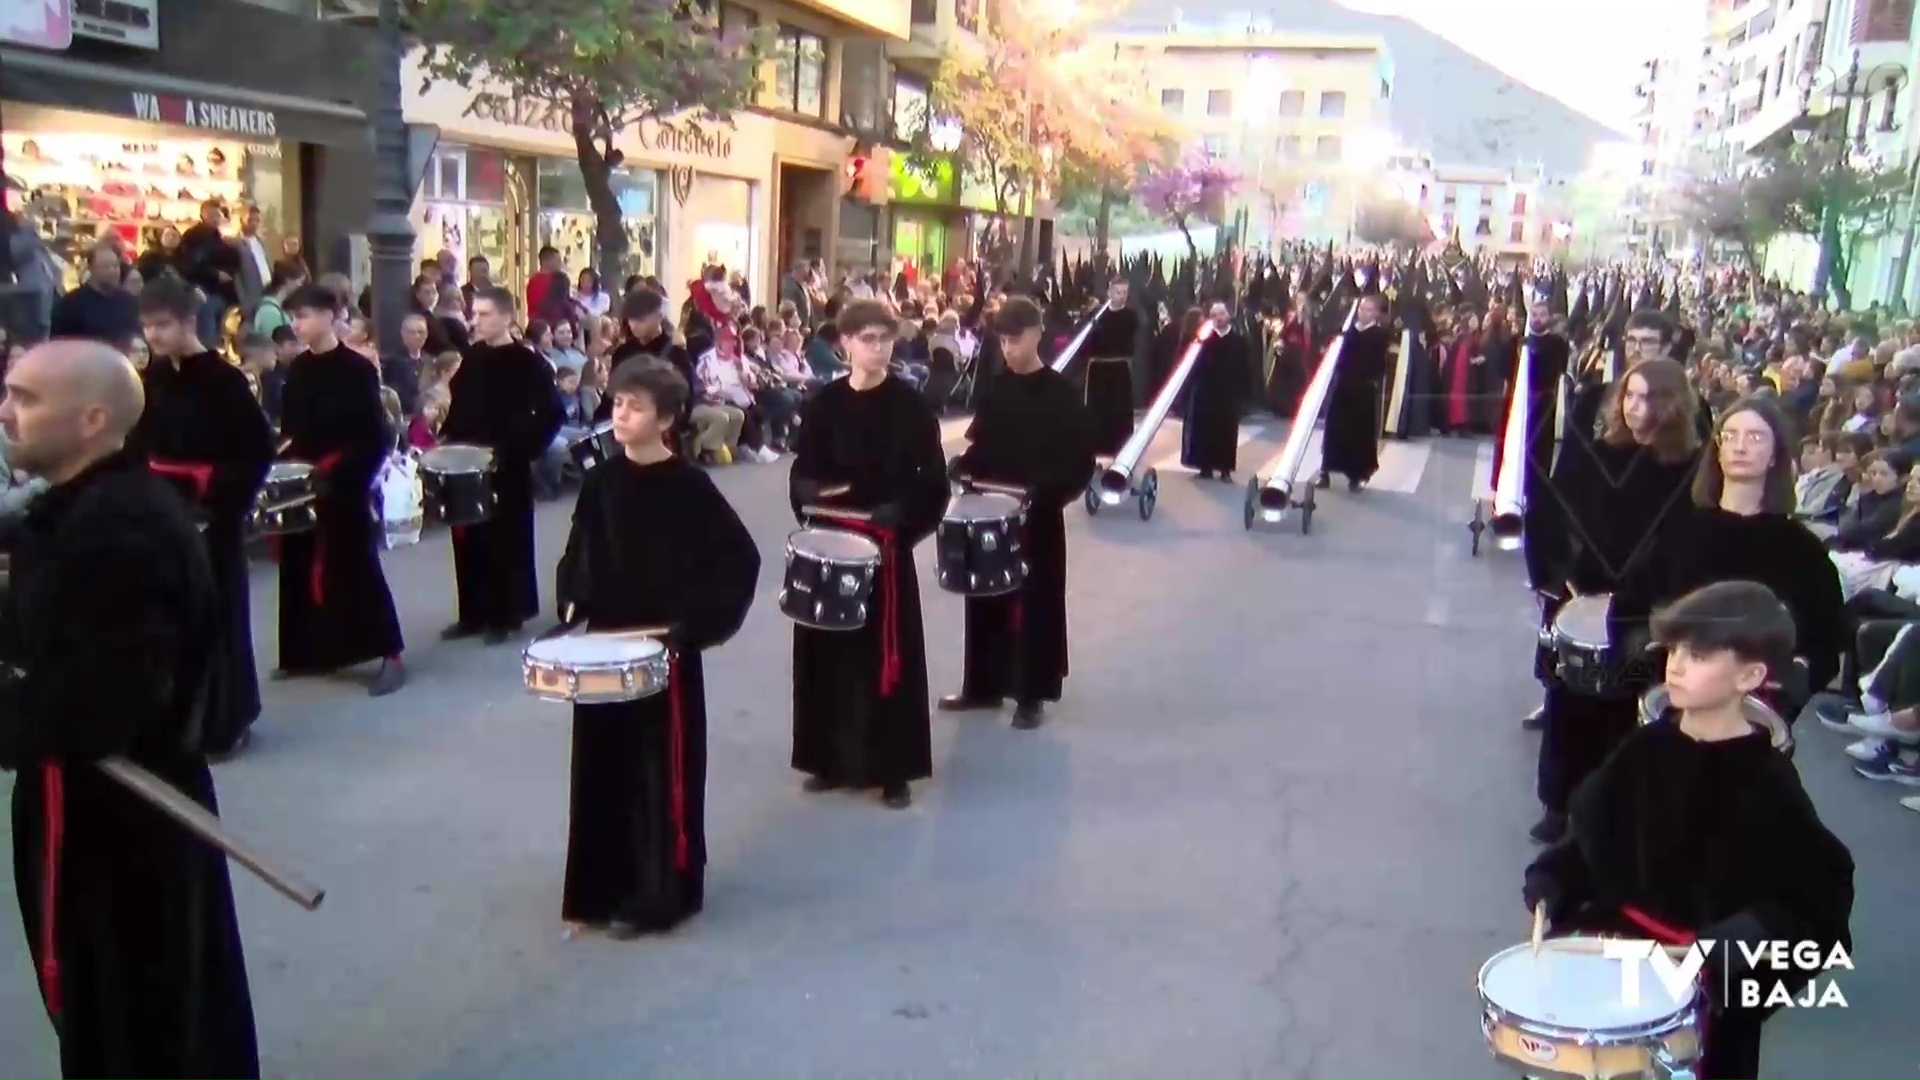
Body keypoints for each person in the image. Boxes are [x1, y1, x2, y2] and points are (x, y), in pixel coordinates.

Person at [0, 340, 261, 1079]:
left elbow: (92, 707)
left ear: (91, 419)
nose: (6, 412)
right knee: (115, 1007)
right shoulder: (78, 511)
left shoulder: (123, 530)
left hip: (121, 821)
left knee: (141, 1011)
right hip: (94, 805)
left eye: (26, 398)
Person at [1524, 580, 1854, 1080]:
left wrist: (1729, 946)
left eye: (1698, 655)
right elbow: (1591, 838)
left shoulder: (1769, 784)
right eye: (1674, 648)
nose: (1675, 664)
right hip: (1612, 960)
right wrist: (1553, 879)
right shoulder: (1642, 750)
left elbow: (1815, 904)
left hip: (1700, 988)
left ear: (1750, 675)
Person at [555, 358, 760, 937]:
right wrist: (571, 599)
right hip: (604, 647)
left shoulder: (689, 486)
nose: (621, 413)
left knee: (657, 770)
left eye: (636, 406)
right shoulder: (601, 482)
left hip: (662, 652)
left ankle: (659, 892)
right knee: (601, 765)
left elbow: (739, 561)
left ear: (666, 419)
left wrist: (689, 627)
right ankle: (602, 887)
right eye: (618, 402)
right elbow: (579, 553)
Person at [1526, 340, 1704, 844]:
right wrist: (1560, 576)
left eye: (1651, 398)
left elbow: (1684, 539)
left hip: (1643, 608)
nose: (1637, 407)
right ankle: (1559, 804)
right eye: (1631, 396)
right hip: (1581, 595)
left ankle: (1613, 811)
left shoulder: (1688, 468)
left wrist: (1645, 596)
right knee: (1568, 705)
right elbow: (1558, 512)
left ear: (1675, 406)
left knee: (1628, 711)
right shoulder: (1597, 452)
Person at [787, 298, 948, 809]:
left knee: (885, 656)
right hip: (832, 542)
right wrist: (807, 490)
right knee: (825, 654)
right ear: (846, 344)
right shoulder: (825, 404)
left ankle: (891, 768)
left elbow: (933, 480)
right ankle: (828, 759)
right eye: (867, 338)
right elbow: (803, 470)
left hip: (883, 546)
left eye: (884, 338)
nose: (877, 347)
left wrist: (902, 515)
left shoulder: (910, 406)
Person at [127, 276, 276, 759]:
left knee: (220, 615)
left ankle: (228, 718)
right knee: (170, 619)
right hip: (161, 513)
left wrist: (217, 496)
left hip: (211, 513)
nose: (154, 335)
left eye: (163, 325)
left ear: (189, 322)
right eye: (147, 326)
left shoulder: (224, 380)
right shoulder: (149, 380)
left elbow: (256, 451)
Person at [943, 296, 1097, 729]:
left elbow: (1080, 462)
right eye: (1003, 341)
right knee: (985, 597)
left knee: (1035, 603)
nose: (1008, 350)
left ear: (1037, 334)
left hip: (1038, 514)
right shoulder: (998, 386)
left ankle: (1032, 692)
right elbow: (984, 444)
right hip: (993, 508)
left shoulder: (1061, 394)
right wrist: (964, 465)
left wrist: (1047, 492)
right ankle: (982, 685)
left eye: (1016, 340)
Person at [1661, 397, 1847, 723]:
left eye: (1755, 436)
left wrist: (1788, 691)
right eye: (1729, 436)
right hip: (1674, 701)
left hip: (1756, 715)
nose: (1740, 446)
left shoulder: (1801, 550)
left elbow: (1823, 642)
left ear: (1775, 454)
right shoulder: (1676, 532)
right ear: (1716, 449)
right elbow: (1636, 609)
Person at [275, 283, 407, 695]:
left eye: (305, 316)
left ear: (330, 316)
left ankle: (389, 652)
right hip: (302, 478)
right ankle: (308, 651)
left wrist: (344, 473)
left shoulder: (356, 368)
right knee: (298, 562)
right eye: (294, 317)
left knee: (354, 562)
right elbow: (292, 430)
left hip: (345, 476)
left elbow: (373, 432)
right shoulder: (296, 370)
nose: (298, 325)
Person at [439, 285, 564, 644]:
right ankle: (473, 613)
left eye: (484, 314)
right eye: (474, 314)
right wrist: (448, 438)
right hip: (468, 459)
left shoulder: (527, 360)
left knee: (506, 539)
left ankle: (506, 614)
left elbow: (552, 412)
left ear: (507, 317)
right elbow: (461, 403)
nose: (476, 321)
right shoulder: (474, 356)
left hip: (507, 461)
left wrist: (519, 447)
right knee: (468, 537)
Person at [1316, 292, 1394, 491]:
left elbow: (1378, 364)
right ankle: (1325, 471)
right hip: (1343, 386)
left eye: (1368, 310)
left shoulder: (1379, 335)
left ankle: (1356, 475)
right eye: (1361, 309)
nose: (1363, 313)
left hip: (1363, 389)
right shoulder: (1347, 331)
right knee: (1334, 428)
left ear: (1376, 313)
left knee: (1359, 433)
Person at [1179, 300, 1251, 481]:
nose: (1218, 318)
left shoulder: (1238, 340)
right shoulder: (1204, 339)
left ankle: (1225, 468)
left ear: (1228, 315)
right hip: (1206, 390)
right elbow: (1192, 364)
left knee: (1226, 430)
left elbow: (1245, 368)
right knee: (1205, 428)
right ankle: (1206, 467)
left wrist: (1244, 394)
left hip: (1228, 392)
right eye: (1214, 315)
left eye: (1222, 314)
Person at [1080, 278, 1141, 456]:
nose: (1121, 296)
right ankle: (1095, 449)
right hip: (1098, 369)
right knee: (1096, 410)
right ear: (1109, 292)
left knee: (1119, 410)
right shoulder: (1098, 315)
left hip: (1119, 368)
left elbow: (1131, 342)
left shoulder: (1131, 316)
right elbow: (1087, 340)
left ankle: (1120, 450)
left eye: (1124, 293)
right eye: (1118, 292)